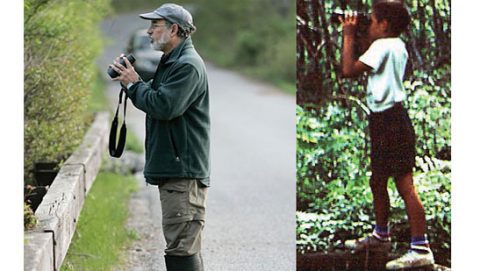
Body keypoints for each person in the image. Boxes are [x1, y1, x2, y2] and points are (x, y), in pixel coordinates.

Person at [110, 3, 209, 271]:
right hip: (176, 170)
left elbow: (165, 107)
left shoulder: (187, 66)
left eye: (155, 25)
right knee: (180, 245)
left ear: (174, 29)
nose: (149, 31)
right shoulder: (172, 62)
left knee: (181, 247)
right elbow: (155, 97)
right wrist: (133, 82)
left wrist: (134, 83)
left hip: (183, 172)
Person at [339, 1, 435, 270]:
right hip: (389, 119)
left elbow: (348, 70)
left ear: (384, 25)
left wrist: (347, 35)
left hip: (390, 122)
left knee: (404, 184)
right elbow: (364, 59)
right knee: (378, 179)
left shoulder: (382, 46)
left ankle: (421, 248)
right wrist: (358, 35)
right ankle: (381, 235)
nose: (367, 25)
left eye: (370, 21)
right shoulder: (396, 46)